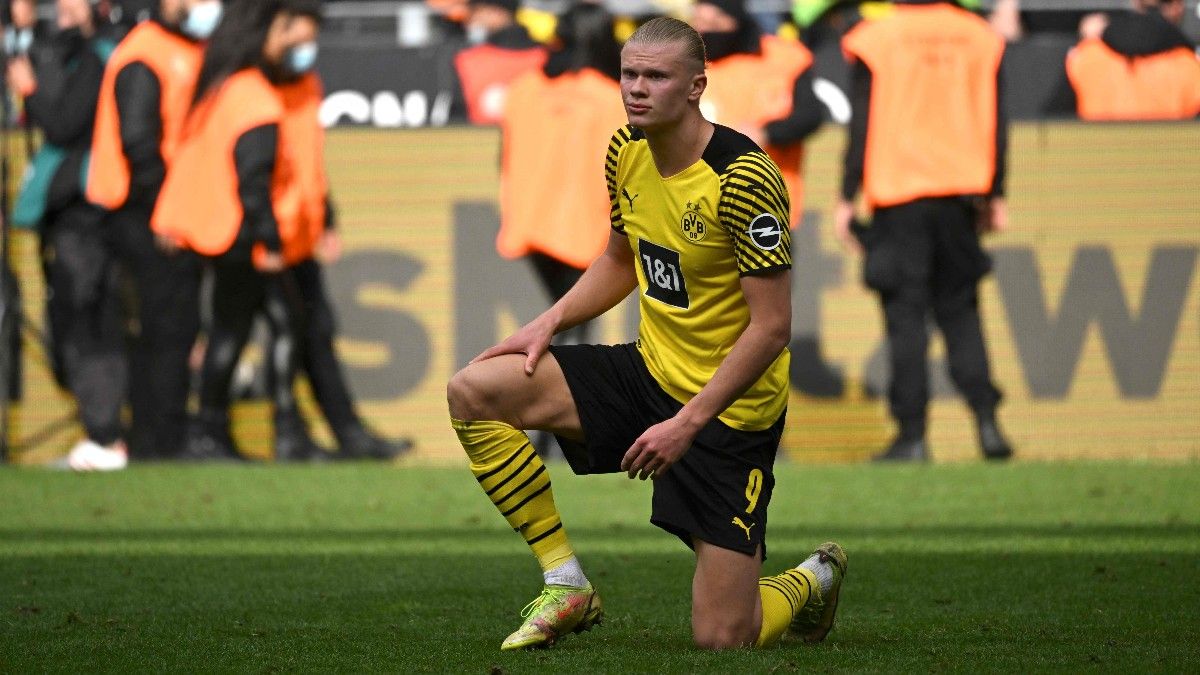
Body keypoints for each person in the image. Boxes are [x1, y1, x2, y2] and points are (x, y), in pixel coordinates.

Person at [447, 16, 846, 651]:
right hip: (650, 374)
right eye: (629, 74)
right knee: (474, 390)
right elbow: (618, 258)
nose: (637, 88)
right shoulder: (625, 149)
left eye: (656, 76)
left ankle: (812, 578)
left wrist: (687, 423)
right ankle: (566, 582)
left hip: (727, 413)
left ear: (695, 86)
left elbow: (772, 330)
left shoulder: (745, 179)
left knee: (723, 638)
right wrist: (550, 321)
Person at [835, 0, 1014, 462]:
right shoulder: (979, 35)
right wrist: (996, 191)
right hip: (960, 192)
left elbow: (862, 123)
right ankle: (988, 423)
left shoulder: (876, 38)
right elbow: (997, 120)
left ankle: (912, 436)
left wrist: (845, 195)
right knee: (961, 310)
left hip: (898, 193)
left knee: (905, 317)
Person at [151, 0, 324, 462]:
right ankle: (243, 431)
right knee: (254, 329)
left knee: (257, 326)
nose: (299, 48)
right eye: (291, 35)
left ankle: (228, 431)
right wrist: (268, 240)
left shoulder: (224, 87)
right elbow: (253, 180)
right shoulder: (255, 96)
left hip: (223, 233)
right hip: (242, 238)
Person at [268, 15, 414, 461]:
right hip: (260, 233)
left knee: (312, 327)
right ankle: (287, 432)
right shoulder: (252, 88)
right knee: (273, 332)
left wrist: (326, 218)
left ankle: (345, 433)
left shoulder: (305, 84)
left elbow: (310, 163)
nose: (305, 50)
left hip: (295, 233)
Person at [87, 0, 222, 460]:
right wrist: (168, 212)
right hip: (144, 214)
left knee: (176, 329)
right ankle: (159, 440)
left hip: (169, 213)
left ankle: (162, 436)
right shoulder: (146, 53)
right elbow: (140, 146)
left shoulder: (187, 48)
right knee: (165, 329)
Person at [8, 0, 123, 471]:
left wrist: (29, 92)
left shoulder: (99, 57)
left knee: (84, 325)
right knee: (71, 328)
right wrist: (25, 29)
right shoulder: (75, 51)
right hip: (67, 216)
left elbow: (62, 123)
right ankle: (103, 434)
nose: (63, 8)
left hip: (86, 216)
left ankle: (106, 436)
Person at [496, 1, 625, 347]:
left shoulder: (523, 88)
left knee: (564, 319)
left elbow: (503, 158)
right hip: (584, 229)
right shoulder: (609, 97)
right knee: (571, 327)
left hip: (528, 224)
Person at [691, 0, 823, 226]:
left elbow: (810, 114)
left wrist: (766, 133)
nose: (706, 31)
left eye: (715, 22)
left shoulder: (785, 58)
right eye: (699, 22)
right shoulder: (682, 62)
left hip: (767, 208)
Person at [1065, 0, 1200, 120]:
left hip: (1098, 144)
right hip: (1168, 144)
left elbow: (1053, 122)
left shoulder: (1087, 55)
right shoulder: (1190, 64)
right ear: (1177, 6)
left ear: (1136, 2)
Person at [451, 0, 546, 125]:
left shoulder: (468, 61)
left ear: (498, 12)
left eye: (476, 10)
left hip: (483, 140)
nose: (471, 18)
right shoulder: (549, 57)